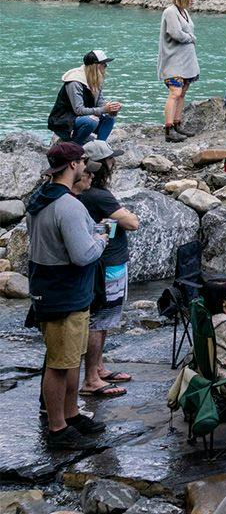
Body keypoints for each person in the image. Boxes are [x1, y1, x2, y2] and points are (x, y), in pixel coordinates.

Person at [26, 141, 106, 445]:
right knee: (60, 363)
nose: (86, 167)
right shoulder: (69, 206)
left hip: (49, 286)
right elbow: (82, 255)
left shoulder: (40, 198)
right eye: (83, 161)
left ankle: (71, 415)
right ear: (73, 165)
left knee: (70, 357)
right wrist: (100, 239)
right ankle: (58, 428)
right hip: (65, 291)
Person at [75, 140, 137, 399]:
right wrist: (122, 216)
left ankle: (98, 368)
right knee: (100, 320)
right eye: (111, 159)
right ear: (101, 166)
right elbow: (132, 222)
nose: (114, 162)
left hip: (104, 262)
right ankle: (91, 378)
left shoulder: (86, 194)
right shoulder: (99, 195)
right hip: (108, 264)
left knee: (103, 319)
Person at [47, 50, 120, 144]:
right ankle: (76, 147)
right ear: (96, 66)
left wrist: (112, 109)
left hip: (81, 119)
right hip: (64, 122)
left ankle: (100, 146)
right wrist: (104, 109)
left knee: (109, 119)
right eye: (104, 64)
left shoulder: (95, 80)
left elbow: (100, 103)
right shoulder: (74, 82)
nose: (106, 67)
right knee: (91, 121)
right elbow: (79, 110)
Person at [158, 0, 199, 142]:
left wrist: (189, 37)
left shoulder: (184, 12)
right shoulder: (170, 12)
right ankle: (168, 129)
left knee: (182, 93)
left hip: (186, 62)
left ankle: (177, 123)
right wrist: (191, 38)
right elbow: (175, 33)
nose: (193, 0)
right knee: (175, 92)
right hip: (173, 61)